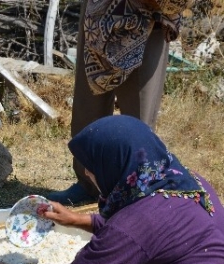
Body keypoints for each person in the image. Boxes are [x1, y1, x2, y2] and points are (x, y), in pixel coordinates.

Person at [0, 115, 224, 264]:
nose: (86, 172)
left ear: (114, 165)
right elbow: (152, 236)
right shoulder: (184, 179)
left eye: (92, 165)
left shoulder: (135, 222)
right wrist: (78, 220)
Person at [47, 0, 190, 205]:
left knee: (139, 119)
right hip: (99, 15)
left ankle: (136, 193)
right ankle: (88, 186)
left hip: (148, 17)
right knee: (88, 109)